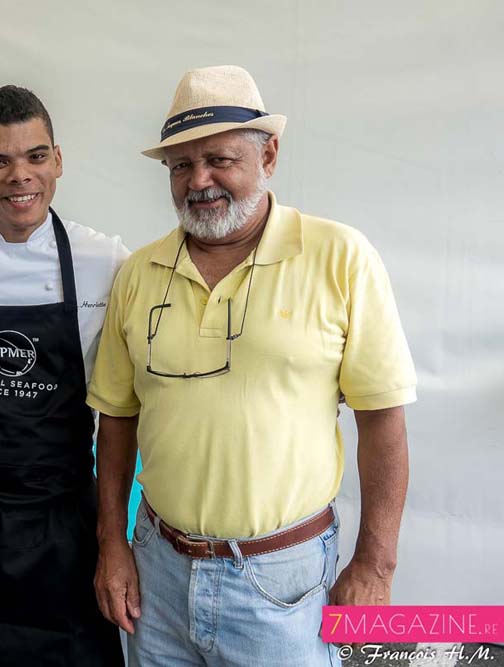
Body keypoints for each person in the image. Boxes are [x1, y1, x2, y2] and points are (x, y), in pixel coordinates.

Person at [90, 65, 416, 666]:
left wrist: (376, 563)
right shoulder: (139, 272)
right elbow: (115, 420)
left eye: (219, 159)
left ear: (269, 153)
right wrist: (112, 544)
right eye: (181, 166)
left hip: (281, 582)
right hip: (157, 571)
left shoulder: (338, 256)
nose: (200, 180)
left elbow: (382, 418)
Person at [0, 85, 129, 666]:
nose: (20, 175)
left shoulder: (105, 262)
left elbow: (126, 398)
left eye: (35, 156)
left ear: (57, 161)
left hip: (64, 523)